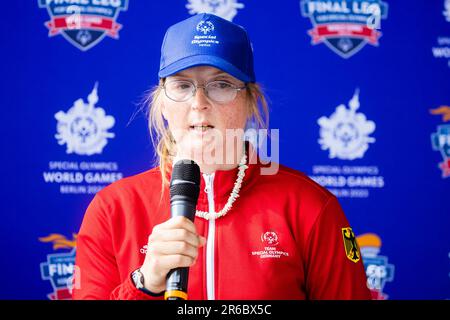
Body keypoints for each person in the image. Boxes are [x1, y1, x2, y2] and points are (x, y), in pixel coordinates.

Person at [72, 13, 371, 300]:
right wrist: (145, 282)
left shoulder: (310, 206)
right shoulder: (112, 209)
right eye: (182, 85)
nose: (199, 103)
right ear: (162, 103)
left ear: (250, 101)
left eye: (221, 84)